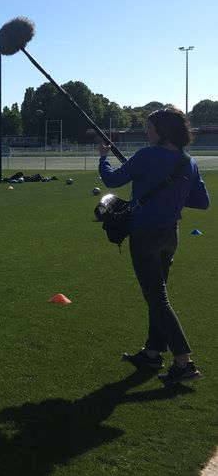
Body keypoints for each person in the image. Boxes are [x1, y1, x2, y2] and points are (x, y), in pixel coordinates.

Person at [99, 107, 210, 384]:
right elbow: (201, 201)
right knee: (156, 295)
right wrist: (170, 194)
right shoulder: (188, 161)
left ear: (162, 132)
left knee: (158, 298)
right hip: (170, 236)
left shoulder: (148, 155)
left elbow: (112, 180)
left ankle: (184, 363)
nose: (146, 132)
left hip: (146, 236)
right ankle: (152, 353)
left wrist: (103, 158)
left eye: (149, 128)